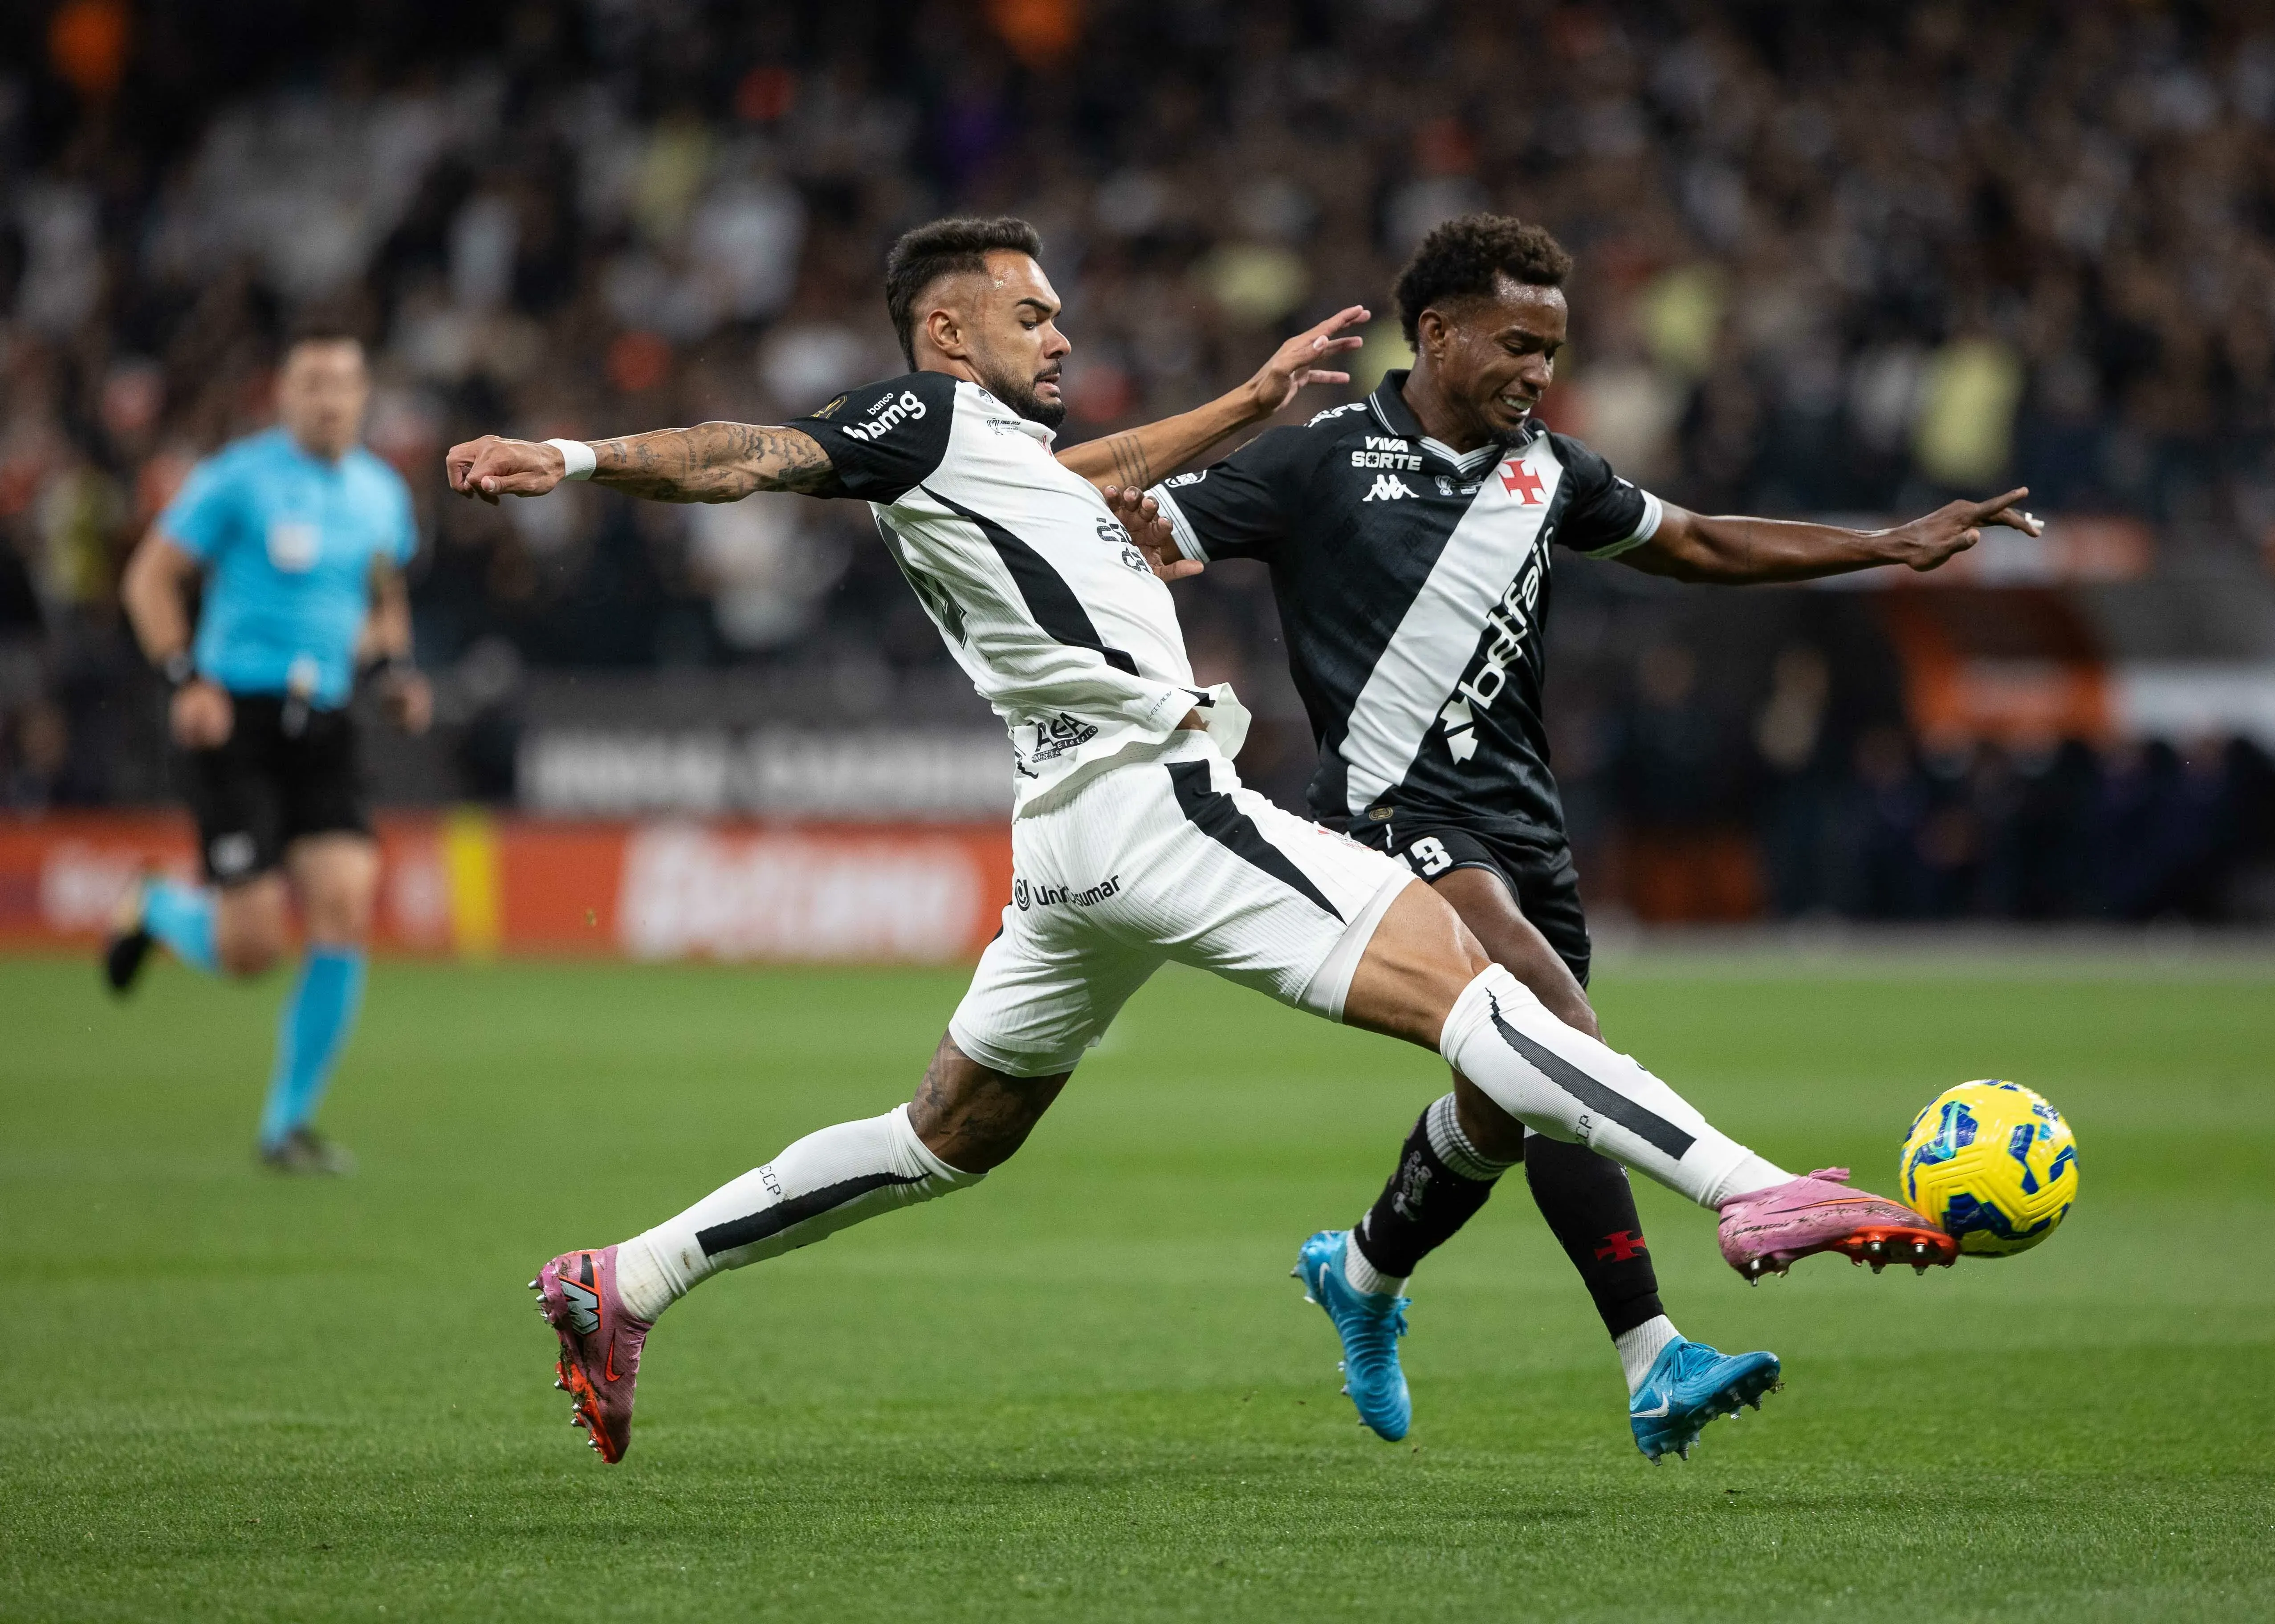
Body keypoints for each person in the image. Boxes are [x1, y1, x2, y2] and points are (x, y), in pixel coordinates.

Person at [449, 216, 1931, 1469]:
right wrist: (576, 457)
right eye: (1030, 312)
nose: (1059, 330)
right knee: (1484, 996)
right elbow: (748, 454)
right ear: (947, 335)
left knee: (941, 1136)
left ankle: (630, 1271)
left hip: (1067, 841)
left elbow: (1110, 467)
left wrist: (1248, 399)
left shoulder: (1008, 457)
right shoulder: (924, 420)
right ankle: (1748, 1188)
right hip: (1158, 796)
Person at [1119, 214, 2039, 1449]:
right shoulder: (1317, 461)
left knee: (1507, 1109)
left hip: (1523, 829)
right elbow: (1132, 533)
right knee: (1562, 1041)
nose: (1537, 373)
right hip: (1399, 823)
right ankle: (1654, 1356)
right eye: (1515, 344)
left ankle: (1363, 1272)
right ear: (1433, 332)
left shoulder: (1552, 473)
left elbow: (1701, 541)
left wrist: (1885, 546)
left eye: (1551, 349)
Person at [106, 328, 432, 1174]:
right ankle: (155, 907)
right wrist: (187, 680)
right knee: (252, 949)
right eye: (311, 383)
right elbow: (149, 578)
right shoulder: (237, 479)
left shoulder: (380, 495)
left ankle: (285, 1127)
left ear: (363, 397)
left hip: (323, 718)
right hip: (234, 720)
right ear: (284, 396)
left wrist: (395, 671)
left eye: (343, 383)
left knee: (347, 903)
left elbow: (383, 596)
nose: (328, 398)